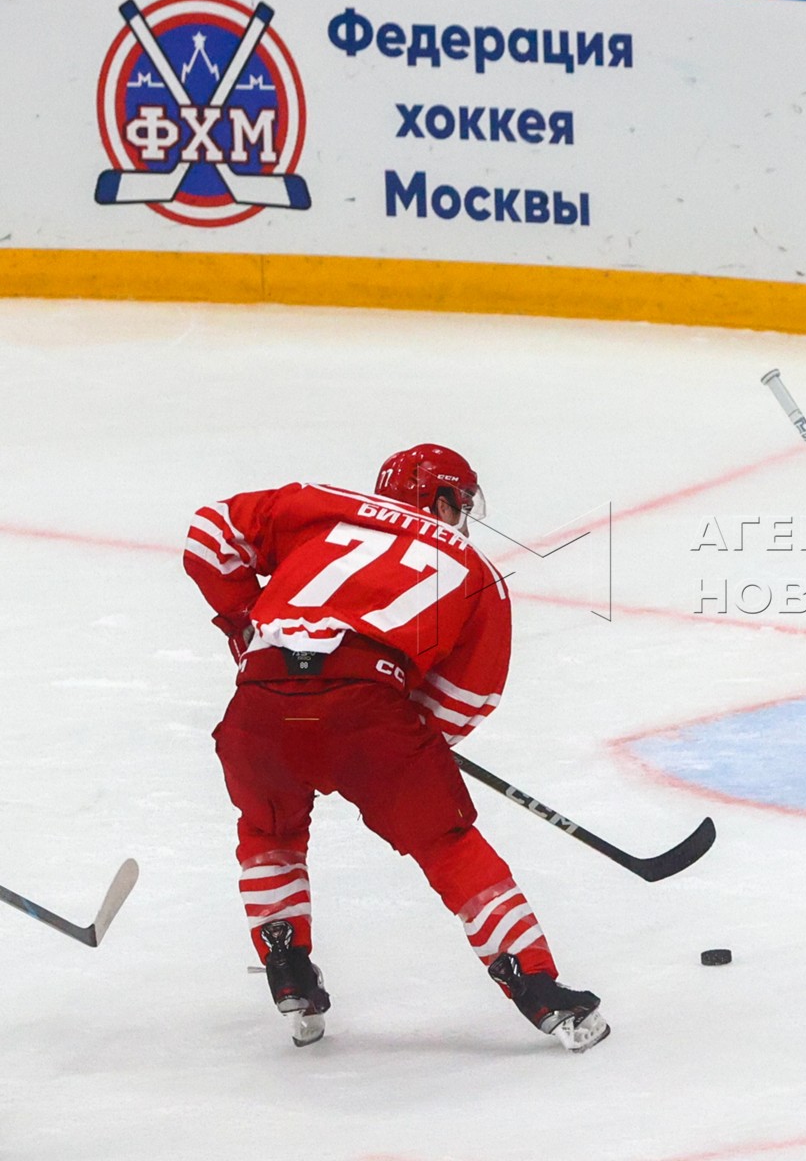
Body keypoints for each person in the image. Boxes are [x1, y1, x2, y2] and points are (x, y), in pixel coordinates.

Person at [183, 445, 608, 1051]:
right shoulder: (474, 570)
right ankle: (537, 987)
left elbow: (208, 537)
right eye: (460, 505)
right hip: (369, 713)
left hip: (259, 703)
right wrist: (406, 739)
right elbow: (465, 699)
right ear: (441, 500)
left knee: (269, 829)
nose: (461, 519)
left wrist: (244, 625)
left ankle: (288, 966)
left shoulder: (320, 505)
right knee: (448, 845)